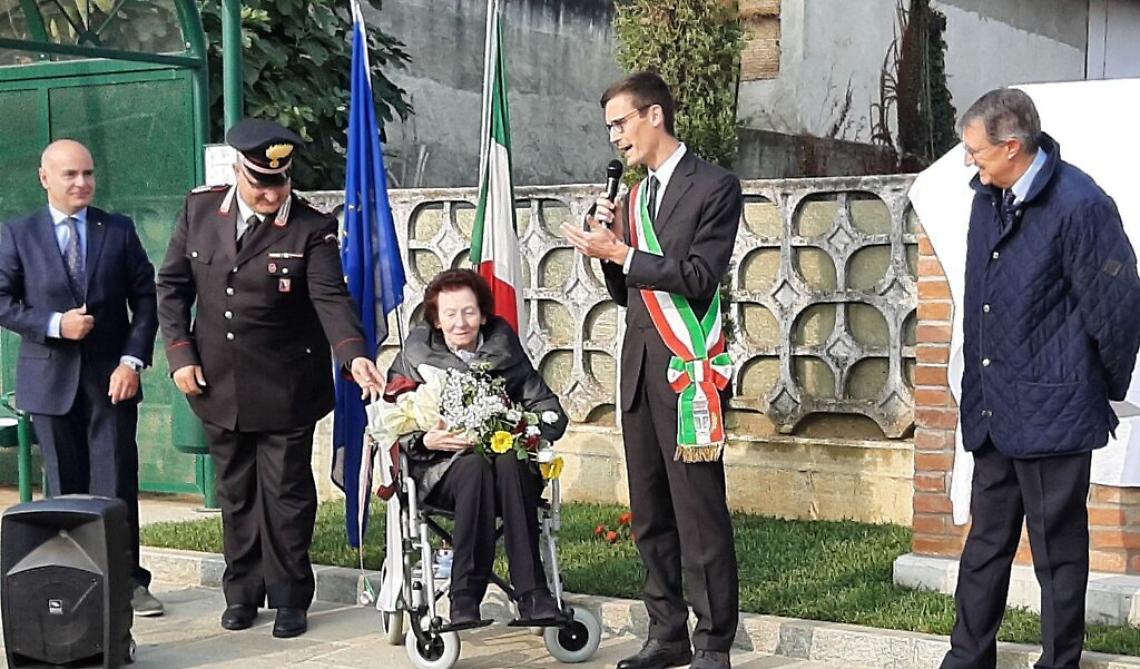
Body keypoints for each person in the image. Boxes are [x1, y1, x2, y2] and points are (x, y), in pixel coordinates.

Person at [155, 119, 386, 639]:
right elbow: (171, 288)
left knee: (285, 495)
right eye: (259, 181)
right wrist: (179, 354)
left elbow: (330, 298)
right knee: (236, 494)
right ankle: (242, 593)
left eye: (278, 182)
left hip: (286, 385)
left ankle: (289, 599)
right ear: (239, 171)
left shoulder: (311, 227)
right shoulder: (199, 212)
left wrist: (353, 355)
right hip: (217, 384)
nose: (269, 193)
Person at [941, 88, 1140, 669]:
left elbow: (1118, 306)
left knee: (1059, 555)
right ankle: (967, 659)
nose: (968, 160)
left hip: (1057, 414)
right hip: (994, 412)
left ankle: (1060, 663)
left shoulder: (1081, 205)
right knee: (985, 547)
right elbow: (981, 302)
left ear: (1011, 146)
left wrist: (1089, 386)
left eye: (976, 150)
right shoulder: (986, 197)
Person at [561, 72, 741, 669]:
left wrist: (624, 253)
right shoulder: (634, 198)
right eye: (609, 126)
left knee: (698, 513)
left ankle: (715, 641)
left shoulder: (714, 186)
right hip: (639, 371)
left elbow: (696, 277)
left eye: (621, 122)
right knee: (649, 514)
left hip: (687, 372)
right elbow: (625, 291)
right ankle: (667, 633)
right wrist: (609, 247)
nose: (614, 137)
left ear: (655, 115)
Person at [0, 139, 164, 616]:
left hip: (111, 381)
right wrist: (54, 324)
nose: (82, 183)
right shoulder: (18, 234)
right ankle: (71, 585)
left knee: (115, 485)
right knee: (65, 491)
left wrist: (132, 361)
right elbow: (4, 301)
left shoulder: (117, 230)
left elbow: (146, 300)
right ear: (44, 177)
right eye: (70, 174)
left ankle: (129, 581)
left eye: (88, 174)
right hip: (50, 384)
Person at [384, 269, 569, 628]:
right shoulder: (414, 357)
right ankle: (464, 599)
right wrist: (424, 439)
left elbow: (552, 415)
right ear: (436, 319)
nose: (460, 323)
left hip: (510, 479)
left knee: (507, 461)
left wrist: (518, 425)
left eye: (468, 312)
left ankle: (534, 596)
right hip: (442, 473)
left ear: (483, 314)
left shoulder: (507, 354)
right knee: (473, 467)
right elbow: (388, 422)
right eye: (449, 314)